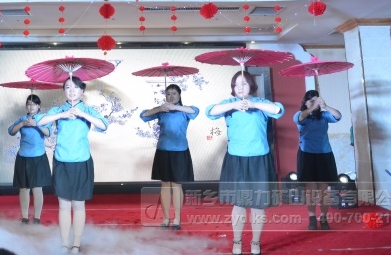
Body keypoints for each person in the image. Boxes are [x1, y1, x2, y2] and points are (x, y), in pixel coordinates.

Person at [206, 70, 284, 255]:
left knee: (258, 204)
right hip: (236, 160)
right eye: (236, 84)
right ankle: (237, 242)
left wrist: (253, 104)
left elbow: (278, 110)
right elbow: (210, 112)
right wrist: (235, 104)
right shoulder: (228, 104)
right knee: (239, 204)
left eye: (244, 83)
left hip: (259, 160)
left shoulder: (261, 103)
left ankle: (256, 242)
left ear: (251, 85)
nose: (240, 87)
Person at [34, 76, 109, 254]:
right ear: (64, 91)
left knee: (79, 205)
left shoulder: (88, 110)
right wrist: (62, 115)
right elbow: (39, 121)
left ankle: (76, 243)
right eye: (68, 87)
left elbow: (103, 125)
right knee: (64, 205)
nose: (72, 91)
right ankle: (64, 243)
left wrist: (82, 114)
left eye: (75, 87)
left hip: (81, 162)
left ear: (82, 91)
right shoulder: (58, 110)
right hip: (61, 161)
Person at [139, 83, 198, 230]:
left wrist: (175, 107)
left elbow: (195, 111)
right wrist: (160, 108)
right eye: (168, 94)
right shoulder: (162, 111)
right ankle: (166, 218)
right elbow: (143, 115)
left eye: (174, 93)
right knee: (165, 184)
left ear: (179, 95)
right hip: (163, 150)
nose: (171, 96)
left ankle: (177, 219)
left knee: (176, 185)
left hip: (180, 151)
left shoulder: (184, 111)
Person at [294, 89, 341, 231]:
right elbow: (300, 118)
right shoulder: (301, 114)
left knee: (323, 190)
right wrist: (312, 107)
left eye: (316, 101)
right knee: (311, 190)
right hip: (307, 154)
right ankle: (312, 217)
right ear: (305, 102)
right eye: (311, 101)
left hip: (324, 154)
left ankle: (324, 217)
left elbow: (338, 116)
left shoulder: (324, 116)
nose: (314, 103)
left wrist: (325, 106)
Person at [8, 94, 52, 224]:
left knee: (37, 188)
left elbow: (48, 133)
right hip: (23, 157)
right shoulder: (23, 119)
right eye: (29, 104)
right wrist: (22, 124)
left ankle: (37, 218)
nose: (31, 106)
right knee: (23, 188)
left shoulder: (43, 119)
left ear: (39, 106)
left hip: (38, 157)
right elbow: (11, 131)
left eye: (34, 104)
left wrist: (36, 124)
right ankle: (25, 218)